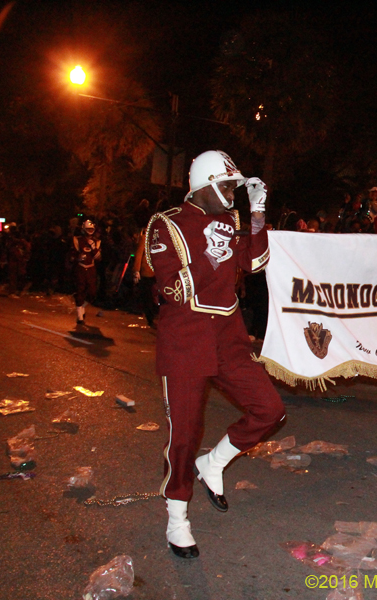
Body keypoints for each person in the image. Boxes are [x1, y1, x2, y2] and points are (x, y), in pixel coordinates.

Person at [145, 150, 285, 559]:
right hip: (185, 341)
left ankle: (216, 463)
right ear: (204, 186)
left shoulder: (232, 221)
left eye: (234, 189)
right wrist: (209, 257)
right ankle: (177, 518)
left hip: (228, 337)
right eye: (226, 187)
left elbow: (256, 261)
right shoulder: (165, 224)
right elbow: (172, 290)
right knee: (184, 436)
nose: (231, 195)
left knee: (270, 409)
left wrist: (257, 212)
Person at [70, 219, 101, 324]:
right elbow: (71, 255)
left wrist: (93, 247)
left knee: (92, 292)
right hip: (80, 268)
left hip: (91, 269)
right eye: (88, 228)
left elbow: (98, 258)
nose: (90, 230)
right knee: (80, 290)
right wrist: (77, 258)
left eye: (91, 228)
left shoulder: (96, 242)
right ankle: (80, 315)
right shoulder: (77, 240)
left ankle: (82, 306)